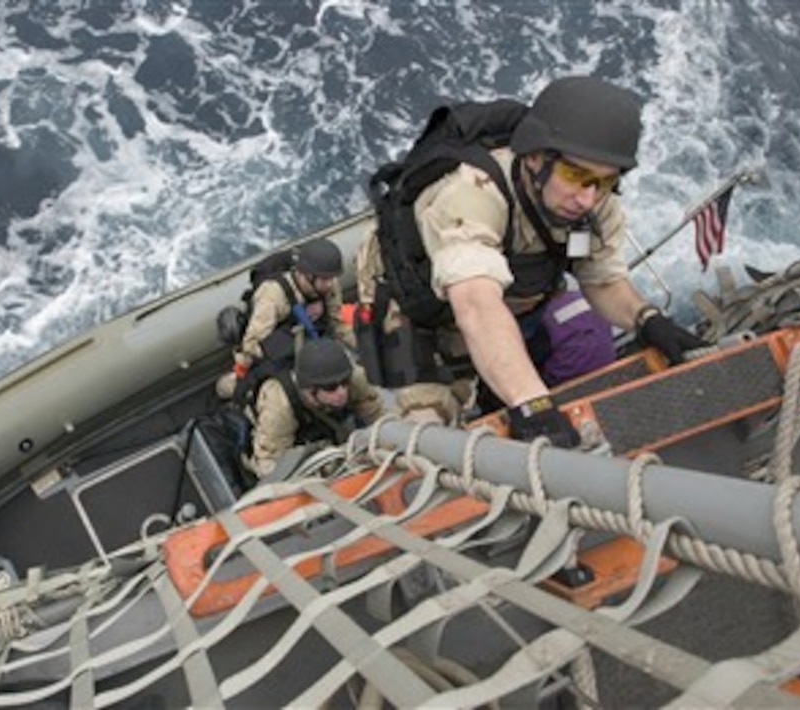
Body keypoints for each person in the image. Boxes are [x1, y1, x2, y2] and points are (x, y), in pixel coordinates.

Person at [357, 75, 706, 446]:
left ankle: (502, 390)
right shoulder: (470, 194)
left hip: (509, 299)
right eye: (575, 174)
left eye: (604, 182)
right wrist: (531, 403)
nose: (587, 198)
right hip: (415, 313)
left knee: (584, 337)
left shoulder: (591, 204)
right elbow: (475, 303)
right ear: (535, 157)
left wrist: (647, 319)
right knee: (429, 435)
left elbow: (600, 280)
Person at [243, 338, 384, 479]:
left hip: (325, 429)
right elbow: (269, 466)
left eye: (344, 382)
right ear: (309, 391)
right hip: (281, 438)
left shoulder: (353, 376)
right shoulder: (280, 406)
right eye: (330, 387)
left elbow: (378, 415)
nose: (342, 392)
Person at [232, 238, 357, 381]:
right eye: (325, 279)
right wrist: (294, 350)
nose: (330, 284)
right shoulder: (273, 295)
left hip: (311, 344)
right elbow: (251, 346)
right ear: (308, 275)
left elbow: (337, 323)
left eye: (332, 278)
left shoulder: (328, 284)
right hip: (278, 354)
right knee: (236, 386)